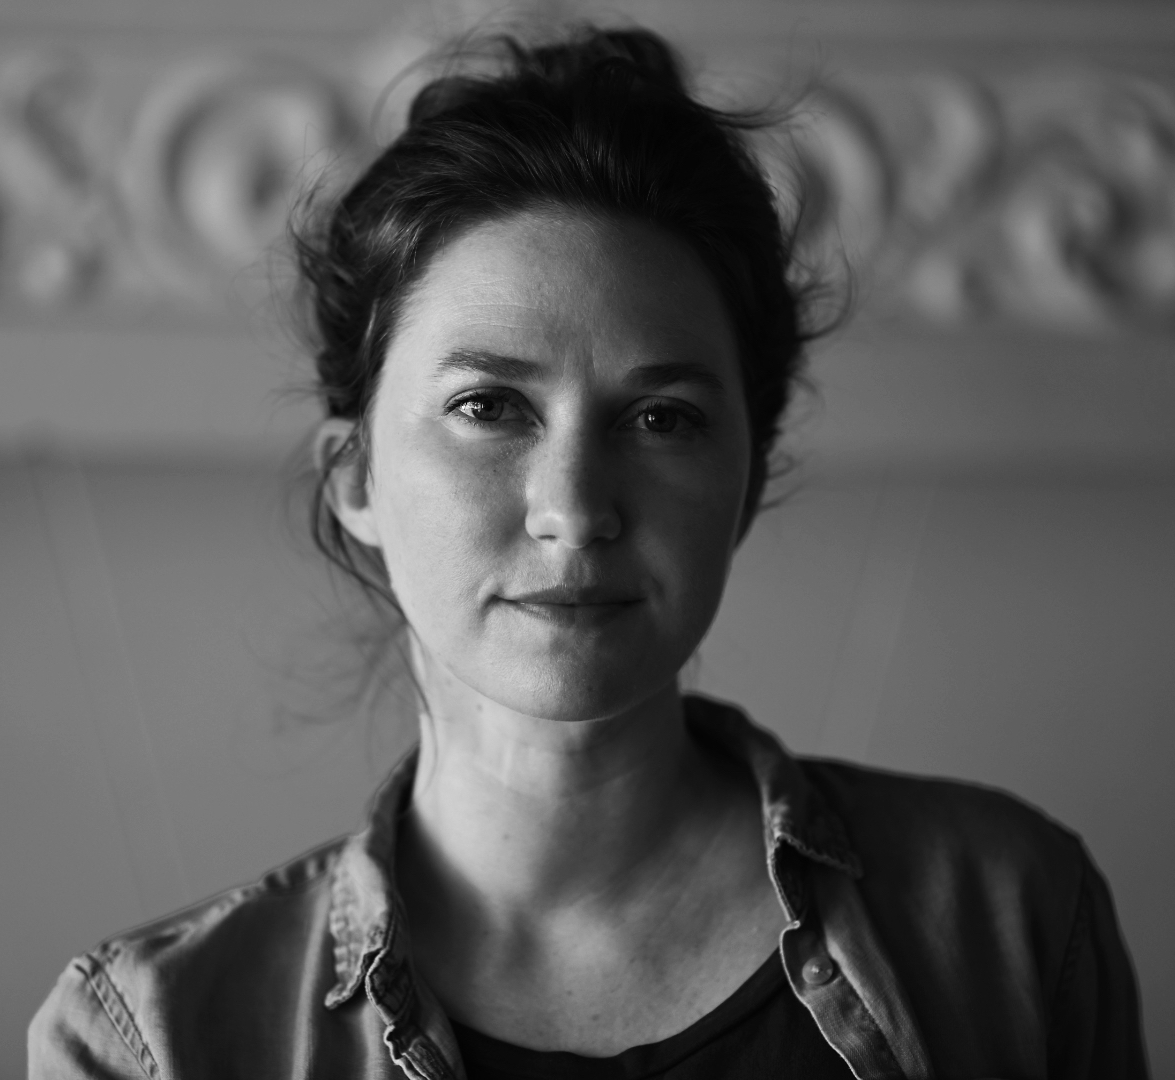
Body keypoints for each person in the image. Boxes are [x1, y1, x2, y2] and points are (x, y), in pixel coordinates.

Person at [29, 26, 1148, 1080]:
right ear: (356, 476)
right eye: (487, 406)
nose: (574, 508)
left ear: (746, 478)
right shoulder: (155, 1038)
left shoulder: (1005, 917)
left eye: (660, 419)